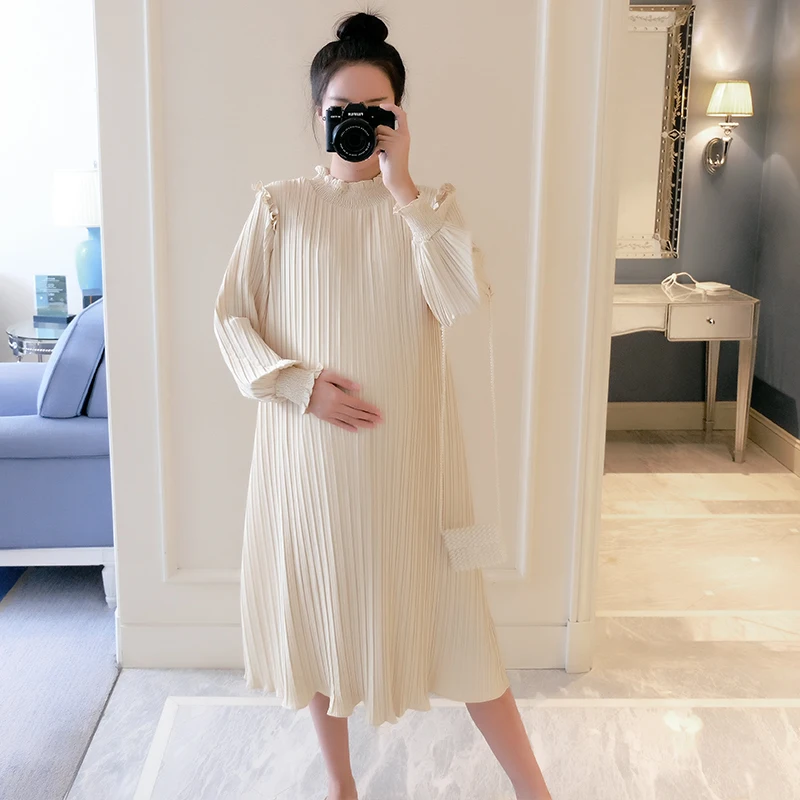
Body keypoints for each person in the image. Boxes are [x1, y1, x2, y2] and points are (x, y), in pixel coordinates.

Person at [213, 10, 552, 800]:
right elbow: (230, 318)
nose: (356, 125)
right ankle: (341, 784)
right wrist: (299, 385)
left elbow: (460, 300)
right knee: (321, 619)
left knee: (464, 635)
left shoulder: (427, 210)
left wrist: (406, 189)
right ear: (317, 115)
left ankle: (534, 791)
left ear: (398, 117)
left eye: (376, 111)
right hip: (312, 463)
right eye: (342, 111)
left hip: (413, 470)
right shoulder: (279, 206)